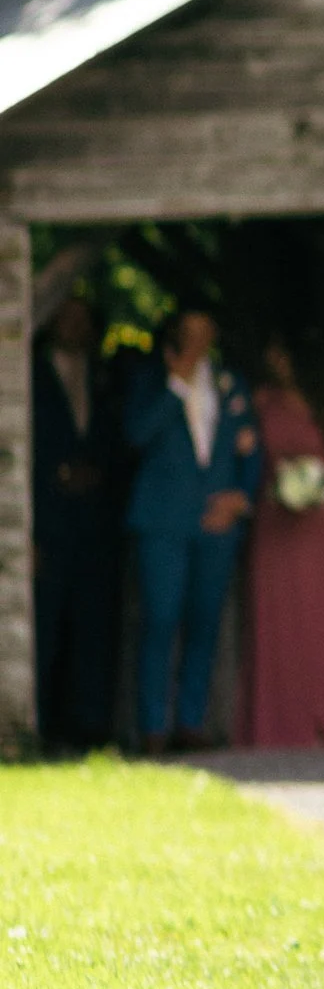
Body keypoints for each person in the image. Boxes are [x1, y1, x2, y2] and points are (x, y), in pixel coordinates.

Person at [124, 311, 262, 754]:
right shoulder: (149, 380)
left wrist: (240, 496)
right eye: (191, 332)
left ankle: (191, 721)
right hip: (163, 520)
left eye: (207, 331)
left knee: (205, 622)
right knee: (161, 620)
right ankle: (151, 726)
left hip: (216, 523)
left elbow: (252, 445)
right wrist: (176, 386)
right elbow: (135, 434)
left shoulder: (229, 382)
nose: (200, 339)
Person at [238, 333, 324, 752]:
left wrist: (314, 487)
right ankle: (277, 720)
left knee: (322, 617)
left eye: (281, 353)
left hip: (321, 523)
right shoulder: (261, 401)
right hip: (276, 519)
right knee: (276, 615)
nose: (274, 361)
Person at [32, 291, 118, 749]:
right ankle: (40, 721)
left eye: (83, 319)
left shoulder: (104, 376)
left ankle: (90, 725)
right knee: (44, 625)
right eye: (66, 317)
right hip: (48, 522)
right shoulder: (27, 375)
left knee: (93, 625)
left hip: (94, 526)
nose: (75, 327)